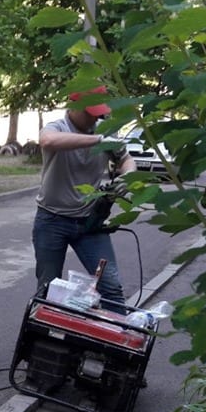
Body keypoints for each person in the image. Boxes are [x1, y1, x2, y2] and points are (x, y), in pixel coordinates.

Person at [32, 85, 136, 311]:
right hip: (51, 220)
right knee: (48, 289)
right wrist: (99, 141)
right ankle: (45, 341)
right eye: (91, 113)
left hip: (90, 223)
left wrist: (127, 177)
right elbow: (48, 141)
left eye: (99, 114)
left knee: (111, 288)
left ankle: (118, 341)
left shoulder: (104, 132)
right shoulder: (56, 127)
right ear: (73, 106)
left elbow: (127, 160)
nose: (95, 118)